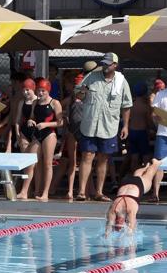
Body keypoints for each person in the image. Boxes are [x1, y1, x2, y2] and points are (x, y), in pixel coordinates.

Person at [76, 52, 132, 202]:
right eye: (104, 63)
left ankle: (99, 192)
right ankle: (82, 192)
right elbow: (78, 94)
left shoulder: (121, 81)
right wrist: (82, 91)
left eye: (108, 64)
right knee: (87, 155)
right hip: (90, 124)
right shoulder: (92, 77)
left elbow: (126, 105)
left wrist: (125, 126)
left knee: (103, 159)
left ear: (115, 65)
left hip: (109, 126)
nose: (105, 66)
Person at [18, 78, 62, 201]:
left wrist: (45, 125)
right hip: (37, 134)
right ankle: (24, 191)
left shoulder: (54, 103)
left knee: (47, 164)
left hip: (49, 134)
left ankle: (45, 193)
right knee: (30, 163)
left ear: (48, 91)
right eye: (39, 91)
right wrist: (31, 120)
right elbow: (32, 116)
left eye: (43, 91)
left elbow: (60, 122)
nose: (40, 93)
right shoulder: (34, 103)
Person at [105, 159, 163, 237]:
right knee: (137, 176)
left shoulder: (127, 209)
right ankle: (146, 166)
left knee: (149, 175)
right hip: (125, 182)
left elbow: (130, 232)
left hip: (138, 185)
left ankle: (155, 163)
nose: (120, 227)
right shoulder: (113, 209)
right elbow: (108, 230)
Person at [52, 73, 84, 201]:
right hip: (72, 133)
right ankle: (70, 190)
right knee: (73, 162)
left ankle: (84, 191)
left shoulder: (88, 98)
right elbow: (57, 107)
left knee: (84, 162)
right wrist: (64, 115)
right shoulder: (70, 99)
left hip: (84, 133)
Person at [14, 78, 38, 198]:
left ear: (33, 89)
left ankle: (32, 189)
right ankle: (26, 190)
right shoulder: (21, 102)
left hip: (35, 133)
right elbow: (18, 120)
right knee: (25, 163)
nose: (25, 92)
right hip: (24, 132)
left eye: (27, 90)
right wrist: (18, 134)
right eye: (23, 90)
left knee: (32, 163)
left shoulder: (37, 101)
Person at [126, 82, 154, 173]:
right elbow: (149, 122)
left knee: (134, 158)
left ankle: (133, 178)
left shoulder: (131, 105)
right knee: (146, 158)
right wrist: (155, 129)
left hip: (132, 132)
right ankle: (144, 179)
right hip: (142, 133)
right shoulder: (146, 107)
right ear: (145, 93)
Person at [149, 84, 167, 203]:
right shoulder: (161, 94)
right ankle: (155, 193)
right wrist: (163, 120)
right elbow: (154, 114)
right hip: (162, 134)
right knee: (158, 163)